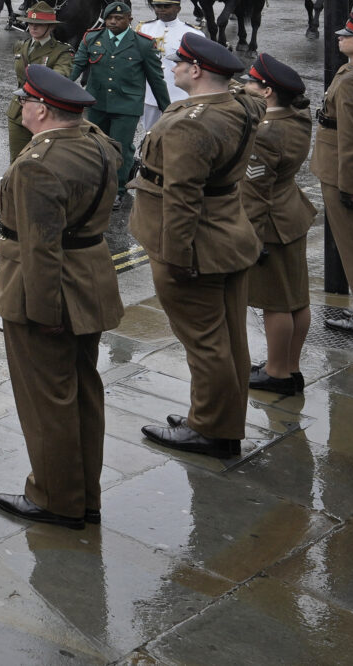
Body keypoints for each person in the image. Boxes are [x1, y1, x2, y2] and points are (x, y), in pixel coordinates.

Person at [0, 63, 125, 530]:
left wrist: (42, 311)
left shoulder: (37, 165)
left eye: (24, 100)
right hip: (89, 283)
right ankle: (84, 494)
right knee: (84, 392)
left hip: (50, 294)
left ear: (42, 110)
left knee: (47, 401)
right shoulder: (97, 142)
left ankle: (55, 499)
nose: (20, 107)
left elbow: (41, 248)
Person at [133, 31, 262, 458]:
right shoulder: (237, 105)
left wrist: (176, 256)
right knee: (228, 340)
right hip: (228, 234)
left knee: (206, 342)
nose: (173, 69)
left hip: (196, 245)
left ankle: (212, 431)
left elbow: (183, 196)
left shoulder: (194, 124)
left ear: (197, 70)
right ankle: (218, 417)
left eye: (179, 63)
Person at [241, 52, 315, 395]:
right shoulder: (297, 117)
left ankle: (277, 373)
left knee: (277, 303)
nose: (245, 86)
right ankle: (292, 367)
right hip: (292, 213)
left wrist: (250, 240)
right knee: (297, 299)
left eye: (251, 83)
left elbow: (254, 195)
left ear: (267, 91)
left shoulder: (265, 133)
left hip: (271, 223)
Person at [70, 0, 166, 192]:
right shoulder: (91, 38)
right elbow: (76, 67)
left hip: (127, 105)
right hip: (97, 103)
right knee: (95, 146)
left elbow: (156, 79)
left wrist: (168, 108)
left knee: (119, 148)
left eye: (118, 18)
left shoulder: (143, 44)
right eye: (109, 18)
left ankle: (117, 189)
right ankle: (96, 184)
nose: (113, 22)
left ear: (129, 19)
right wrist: (55, 90)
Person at [324, 16, 353, 339]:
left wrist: (348, 185)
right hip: (340, 167)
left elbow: (349, 136)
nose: (341, 38)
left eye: (347, 35)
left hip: (339, 170)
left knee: (351, 248)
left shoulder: (349, 80)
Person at [10, 8, 73, 160]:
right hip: (18, 111)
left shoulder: (62, 51)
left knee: (44, 161)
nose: (34, 27)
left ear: (51, 27)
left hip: (44, 113)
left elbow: (60, 76)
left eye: (39, 24)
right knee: (17, 161)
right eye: (31, 23)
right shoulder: (20, 46)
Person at [132, 0, 189, 136]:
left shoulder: (192, 33)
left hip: (178, 93)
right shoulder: (143, 28)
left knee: (177, 134)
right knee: (150, 133)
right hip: (149, 93)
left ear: (178, 8)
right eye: (157, 6)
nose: (161, 10)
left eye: (166, 6)